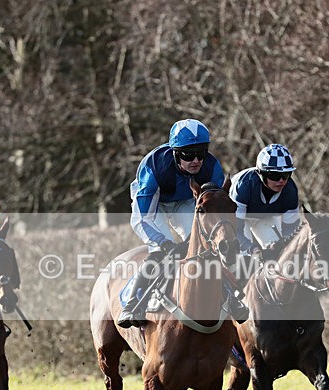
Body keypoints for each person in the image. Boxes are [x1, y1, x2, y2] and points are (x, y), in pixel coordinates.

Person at [118, 118, 248, 328]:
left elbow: (213, 209)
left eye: (201, 153)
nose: (196, 160)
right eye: (188, 154)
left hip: (187, 202)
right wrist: (164, 243)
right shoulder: (154, 168)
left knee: (207, 247)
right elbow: (142, 219)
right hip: (154, 205)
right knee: (162, 252)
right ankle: (132, 303)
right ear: (175, 153)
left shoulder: (212, 167)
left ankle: (231, 297)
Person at [230, 144, 300, 256]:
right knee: (244, 258)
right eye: (275, 175)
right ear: (260, 174)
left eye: (286, 174)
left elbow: (291, 232)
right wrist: (252, 249)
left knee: (281, 253)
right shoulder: (244, 186)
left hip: (265, 218)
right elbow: (235, 230)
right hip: (238, 222)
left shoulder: (290, 190)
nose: (281, 181)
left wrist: (281, 245)